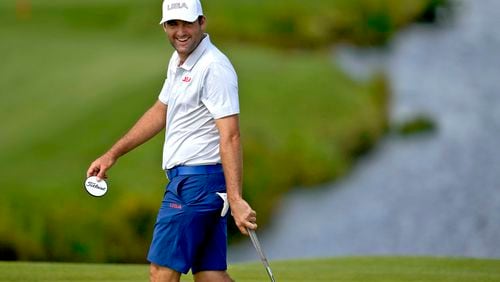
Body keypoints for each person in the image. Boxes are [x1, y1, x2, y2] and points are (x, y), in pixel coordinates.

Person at [86, 0, 257, 281]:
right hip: (204, 185)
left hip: (194, 186)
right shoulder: (180, 60)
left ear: (202, 22)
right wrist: (112, 154)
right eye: (172, 24)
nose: (180, 32)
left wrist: (237, 198)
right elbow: (160, 110)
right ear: (165, 26)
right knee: (210, 275)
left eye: (187, 23)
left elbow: (231, 134)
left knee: (161, 273)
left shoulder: (214, 67)